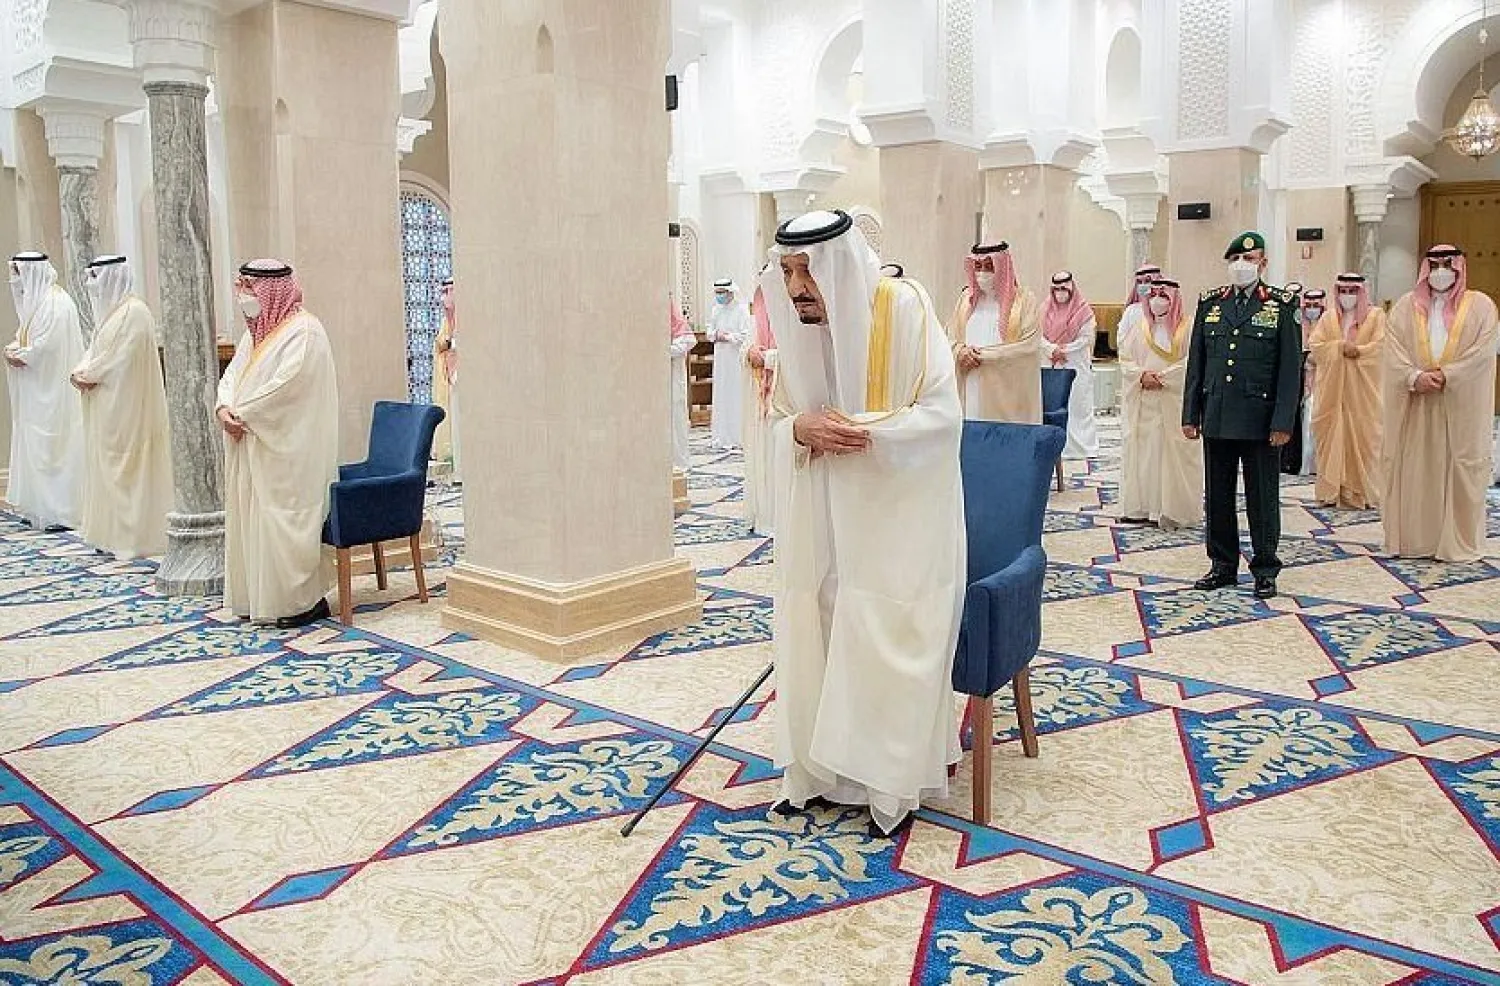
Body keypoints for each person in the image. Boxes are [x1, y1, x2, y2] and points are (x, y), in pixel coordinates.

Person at [759, 209, 964, 835]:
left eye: (809, 273)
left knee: (885, 631)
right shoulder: (798, 327)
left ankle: (887, 783)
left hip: (899, 523)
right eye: (789, 272)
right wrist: (798, 428)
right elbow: (780, 417)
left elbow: (942, 415)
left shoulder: (903, 309)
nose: (796, 290)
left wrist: (857, 436)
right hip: (820, 522)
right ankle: (818, 772)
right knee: (817, 618)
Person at [217, 260, 339, 628]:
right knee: (255, 521)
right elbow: (233, 376)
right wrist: (224, 407)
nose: (244, 296)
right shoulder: (255, 335)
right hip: (252, 442)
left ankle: (302, 601)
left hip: (288, 451)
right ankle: (259, 598)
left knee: (284, 520)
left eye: (249, 288)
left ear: (271, 290)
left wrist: (244, 414)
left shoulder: (305, 332)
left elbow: (286, 388)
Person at [1183, 231, 1301, 600]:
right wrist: (1190, 413)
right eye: (1235, 260)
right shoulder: (1211, 303)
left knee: (1261, 496)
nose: (1241, 266)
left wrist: (1284, 422)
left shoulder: (1280, 306)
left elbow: (1290, 370)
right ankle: (1222, 564)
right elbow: (1197, 363)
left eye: (1250, 260)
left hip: (1260, 420)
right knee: (1217, 496)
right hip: (1217, 414)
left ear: (1263, 264)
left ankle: (1265, 567)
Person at [1382, 245, 1498, 562]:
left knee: (1459, 469)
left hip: (1460, 405)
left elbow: (1483, 353)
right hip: (1417, 404)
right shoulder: (1406, 307)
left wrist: (1449, 375)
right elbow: (1391, 353)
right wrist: (1413, 377)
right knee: (1416, 470)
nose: (1441, 271)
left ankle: (1456, 541)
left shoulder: (1482, 307)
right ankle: (1416, 540)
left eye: (1448, 264)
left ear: (1460, 268)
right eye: (1434, 265)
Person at [68, 255, 173, 558]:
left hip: (130, 411)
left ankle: (133, 537)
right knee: (106, 469)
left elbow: (121, 359)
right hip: (105, 409)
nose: (92, 285)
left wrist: (91, 375)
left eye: (97, 277)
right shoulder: (111, 315)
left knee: (131, 470)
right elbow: (96, 350)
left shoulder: (135, 312)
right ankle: (110, 534)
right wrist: (79, 371)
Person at [4, 251, 84, 530]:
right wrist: (17, 349)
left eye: (21, 274)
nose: (18, 282)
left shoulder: (56, 303)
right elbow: (26, 335)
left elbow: (46, 346)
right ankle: (39, 506)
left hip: (53, 392)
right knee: (37, 446)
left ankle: (59, 512)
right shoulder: (39, 303)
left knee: (55, 447)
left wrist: (22, 355)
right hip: (37, 392)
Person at [1120, 278, 1203, 529]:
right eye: (1153, 295)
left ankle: (1171, 510)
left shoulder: (1187, 327)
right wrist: (1140, 376)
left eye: (1164, 296)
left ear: (1174, 298)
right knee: (1145, 455)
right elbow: (1125, 358)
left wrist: (1164, 379)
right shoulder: (1140, 327)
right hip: (1144, 403)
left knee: (1170, 457)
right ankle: (1142, 507)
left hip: (1173, 403)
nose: (1157, 300)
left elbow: (1194, 362)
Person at [1308, 274, 1385, 509]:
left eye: (1353, 291)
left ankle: (1360, 492)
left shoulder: (1376, 316)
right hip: (1332, 394)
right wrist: (1340, 347)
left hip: (1363, 394)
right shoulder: (1329, 318)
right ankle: (1331, 491)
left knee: (1363, 438)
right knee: (1331, 437)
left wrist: (1359, 352)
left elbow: (1382, 347)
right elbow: (1316, 346)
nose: (1348, 296)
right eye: (1343, 291)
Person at [945, 242, 1041, 423]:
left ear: (1002, 268)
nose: (982, 273)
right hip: (969, 384)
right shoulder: (966, 301)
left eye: (989, 267)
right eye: (978, 267)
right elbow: (949, 337)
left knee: (1000, 441)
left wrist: (982, 356)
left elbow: (1029, 346)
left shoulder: (1024, 301)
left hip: (1006, 395)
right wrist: (960, 352)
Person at [1039, 271, 1098, 458]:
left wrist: (1064, 350)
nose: (1060, 292)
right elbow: (1036, 335)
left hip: (1075, 362)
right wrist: (1051, 350)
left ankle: (1080, 448)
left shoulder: (1083, 311)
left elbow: (1086, 338)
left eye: (1064, 288)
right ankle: (1057, 445)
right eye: (1056, 289)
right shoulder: (1044, 309)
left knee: (1077, 405)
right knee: (1054, 405)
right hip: (1050, 362)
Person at [741, 280, 778, 536]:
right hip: (761, 399)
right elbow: (747, 345)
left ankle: (778, 517)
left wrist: (768, 358)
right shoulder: (755, 318)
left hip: (784, 402)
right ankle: (763, 514)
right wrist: (751, 351)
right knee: (762, 453)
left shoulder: (799, 315)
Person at [706, 278, 750, 449]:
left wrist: (727, 337)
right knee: (722, 394)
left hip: (735, 358)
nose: (720, 296)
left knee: (735, 394)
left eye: (722, 293)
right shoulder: (716, 310)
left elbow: (745, 335)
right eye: (717, 293)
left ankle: (736, 436)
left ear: (731, 292)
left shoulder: (741, 310)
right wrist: (716, 335)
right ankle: (721, 436)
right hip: (721, 358)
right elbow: (710, 330)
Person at [431, 276, 461, 482]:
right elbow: (443, 343)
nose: (446, 297)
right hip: (449, 378)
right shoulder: (445, 322)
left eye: (451, 291)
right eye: (444, 292)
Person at [668, 296, 694, 471]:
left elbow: (687, 341)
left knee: (675, 417)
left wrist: (666, 350)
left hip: (672, 378)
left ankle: (679, 462)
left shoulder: (677, 322)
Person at [1116, 263, 1162, 358]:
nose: (1143, 285)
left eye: (1147, 281)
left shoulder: (1164, 309)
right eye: (1139, 282)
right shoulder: (1131, 310)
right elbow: (1122, 338)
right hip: (1136, 361)